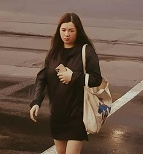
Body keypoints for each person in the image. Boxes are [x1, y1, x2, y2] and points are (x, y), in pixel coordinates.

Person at [30, 12, 103, 153]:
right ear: (59, 31)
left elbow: (96, 79)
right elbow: (42, 77)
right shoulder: (54, 52)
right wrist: (36, 102)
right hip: (57, 114)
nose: (67, 34)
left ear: (78, 31)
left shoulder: (85, 51)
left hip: (77, 115)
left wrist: (74, 76)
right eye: (63, 30)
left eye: (71, 30)